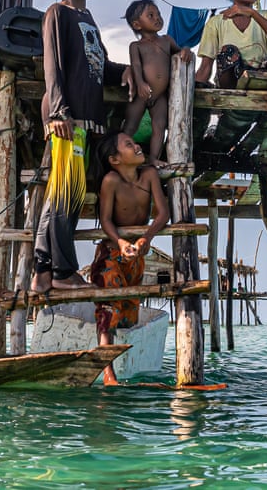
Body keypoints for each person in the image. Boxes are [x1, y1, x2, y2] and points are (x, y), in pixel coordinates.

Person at [32, 0, 134, 293]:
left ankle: (42, 272)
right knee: (66, 196)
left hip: (86, 121)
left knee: (64, 195)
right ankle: (62, 273)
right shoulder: (57, 13)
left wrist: (125, 72)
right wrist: (59, 113)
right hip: (68, 120)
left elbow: (100, 65)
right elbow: (53, 66)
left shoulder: (88, 20)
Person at [89, 131, 170, 385]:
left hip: (137, 255)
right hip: (111, 254)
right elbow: (105, 220)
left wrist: (147, 238)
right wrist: (121, 242)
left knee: (126, 314)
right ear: (115, 159)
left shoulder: (149, 175)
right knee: (107, 310)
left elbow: (163, 214)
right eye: (128, 144)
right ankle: (108, 374)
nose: (136, 146)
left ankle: (116, 370)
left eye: (134, 143)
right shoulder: (111, 180)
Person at [121, 0, 195, 165]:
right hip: (142, 94)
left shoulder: (167, 40)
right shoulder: (136, 46)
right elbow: (136, 65)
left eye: (158, 14)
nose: (157, 18)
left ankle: (154, 158)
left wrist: (186, 50)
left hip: (160, 95)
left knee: (159, 127)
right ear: (137, 24)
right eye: (151, 15)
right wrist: (140, 83)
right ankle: (121, 155)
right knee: (130, 126)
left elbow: (179, 52)